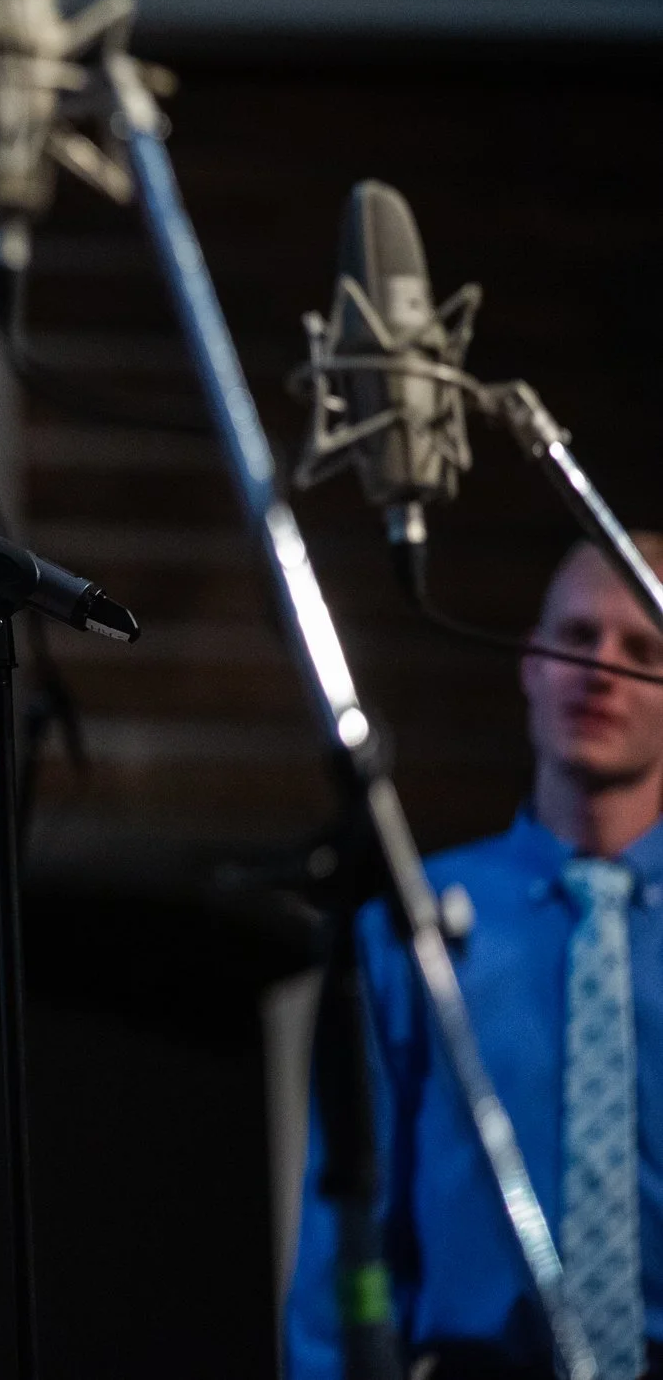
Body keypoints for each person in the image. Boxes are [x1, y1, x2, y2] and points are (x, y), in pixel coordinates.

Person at [288, 537, 663, 1380]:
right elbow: (344, 1239)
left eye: (643, 650)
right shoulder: (410, 925)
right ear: (531, 664)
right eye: (577, 636)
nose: (602, 668)